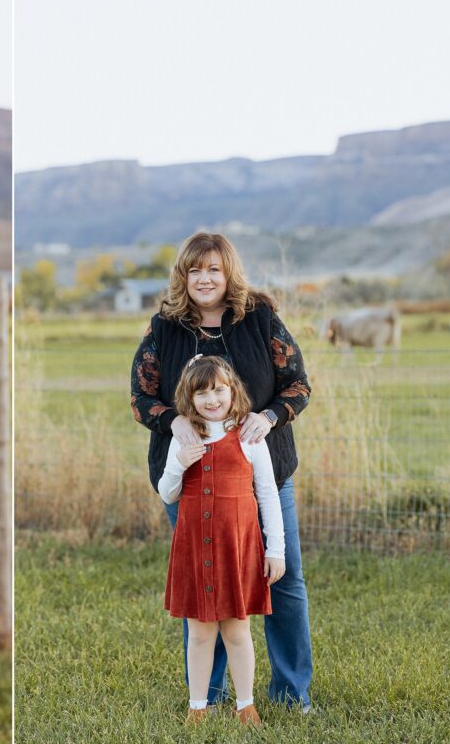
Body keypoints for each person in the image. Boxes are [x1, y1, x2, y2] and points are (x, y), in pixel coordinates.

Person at [130, 231, 313, 710]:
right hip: (191, 480)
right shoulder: (164, 328)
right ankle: (207, 698)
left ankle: (292, 692)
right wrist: (175, 423)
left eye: (213, 268)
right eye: (195, 269)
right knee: (204, 588)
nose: (204, 278)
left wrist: (268, 416)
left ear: (228, 272)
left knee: (283, 577)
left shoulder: (260, 319)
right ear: (183, 276)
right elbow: (140, 396)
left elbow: (298, 384)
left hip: (261, 470)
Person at [161, 356, 285, 726]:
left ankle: (245, 704)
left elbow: (267, 493)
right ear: (189, 398)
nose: (212, 399)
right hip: (196, 548)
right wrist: (180, 462)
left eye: (219, 390)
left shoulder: (249, 436)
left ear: (232, 391)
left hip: (237, 546)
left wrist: (275, 549)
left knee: (237, 628)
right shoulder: (184, 438)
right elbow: (167, 493)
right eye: (202, 393)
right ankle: (197, 707)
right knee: (199, 633)